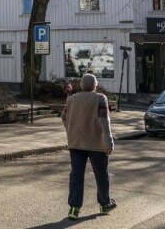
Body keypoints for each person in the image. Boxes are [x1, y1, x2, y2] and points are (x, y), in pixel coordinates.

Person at [61, 73, 116, 220]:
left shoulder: (72, 99)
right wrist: (109, 142)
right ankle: (104, 204)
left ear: (81, 85)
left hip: (76, 143)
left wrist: (71, 129)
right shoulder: (100, 98)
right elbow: (104, 121)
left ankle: (74, 208)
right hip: (96, 144)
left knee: (76, 176)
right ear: (95, 85)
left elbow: (63, 117)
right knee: (101, 175)